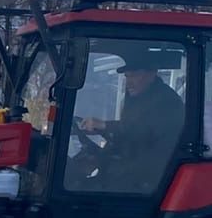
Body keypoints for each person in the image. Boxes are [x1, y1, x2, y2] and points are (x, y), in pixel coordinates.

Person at [77, 54, 185, 191]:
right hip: (132, 164)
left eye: (134, 75)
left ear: (152, 74)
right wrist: (100, 149)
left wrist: (104, 125)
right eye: (127, 76)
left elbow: (144, 130)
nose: (128, 83)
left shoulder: (167, 101)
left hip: (150, 174)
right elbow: (126, 131)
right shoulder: (137, 97)